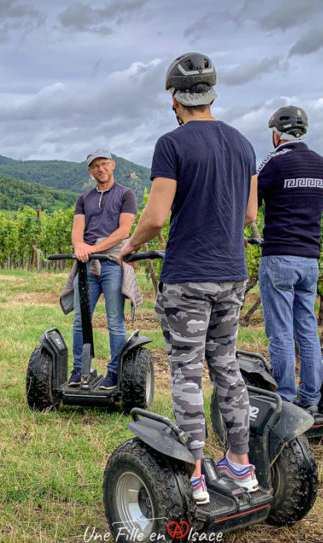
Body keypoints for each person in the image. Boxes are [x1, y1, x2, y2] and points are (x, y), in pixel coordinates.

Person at [120, 52, 258, 505]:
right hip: (232, 274)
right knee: (226, 366)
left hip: (188, 277)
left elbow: (157, 217)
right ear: (212, 94)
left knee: (185, 371)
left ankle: (194, 472)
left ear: (176, 100)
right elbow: (250, 214)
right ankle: (240, 464)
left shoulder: (172, 143)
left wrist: (130, 246)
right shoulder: (243, 145)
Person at [256, 106, 323, 419]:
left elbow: (252, 205)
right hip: (309, 258)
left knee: (280, 332)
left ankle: (285, 400)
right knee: (307, 328)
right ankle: (310, 399)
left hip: (278, 257)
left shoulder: (274, 162)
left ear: (276, 134)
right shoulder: (322, 165)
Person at [65, 150, 137, 390]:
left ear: (113, 165)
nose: (100, 169)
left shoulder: (126, 194)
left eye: (104, 164)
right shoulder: (84, 198)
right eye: (95, 166)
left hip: (112, 263)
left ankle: (114, 374)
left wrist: (93, 247)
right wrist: (79, 246)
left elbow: (124, 231)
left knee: (115, 321)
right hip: (87, 265)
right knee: (80, 320)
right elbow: (77, 231)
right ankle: (79, 370)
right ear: (90, 171)